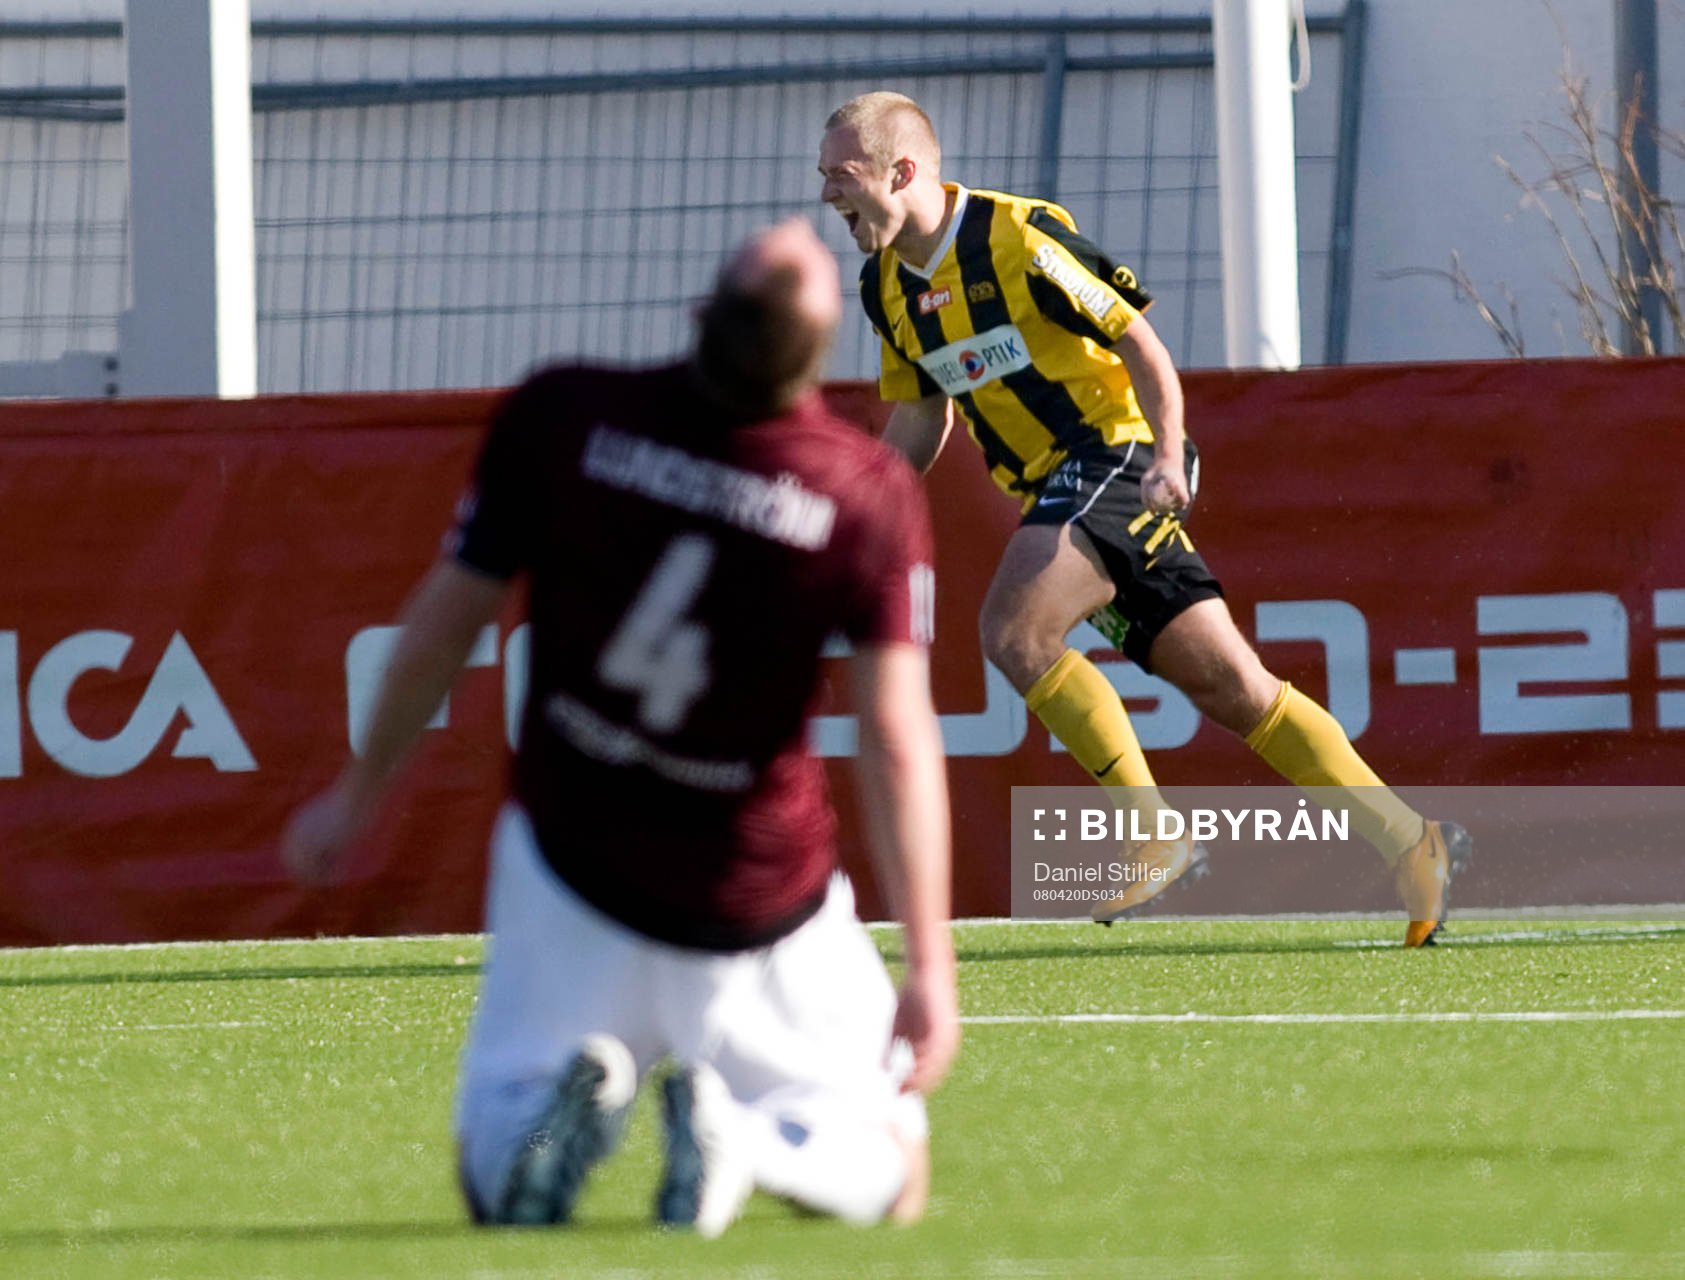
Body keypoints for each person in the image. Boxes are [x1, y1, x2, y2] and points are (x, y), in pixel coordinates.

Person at [281, 217, 959, 1235]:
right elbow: (896, 738)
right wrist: (930, 961)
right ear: (818, 364)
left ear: (698, 313)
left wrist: (357, 794)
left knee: (492, 1179)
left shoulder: (565, 415)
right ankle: (752, 1142)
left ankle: (543, 1136)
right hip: (752, 895)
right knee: (894, 1170)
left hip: (571, 865)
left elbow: (443, 623)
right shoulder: (861, 492)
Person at [818, 91, 1470, 946]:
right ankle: (1410, 840)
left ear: (901, 171)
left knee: (1014, 630)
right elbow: (920, 412)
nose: (826, 194)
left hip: (1112, 460)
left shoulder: (1017, 236)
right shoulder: (885, 290)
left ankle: (1151, 834)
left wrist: (1166, 453)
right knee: (1233, 688)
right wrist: (862, 511)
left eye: (841, 174)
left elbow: (1138, 340)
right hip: (1059, 491)